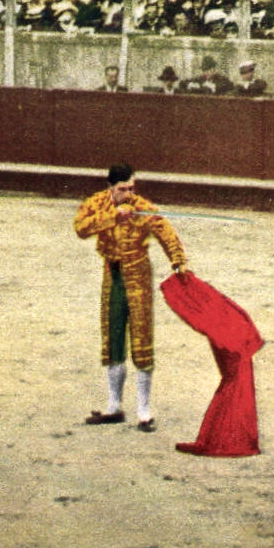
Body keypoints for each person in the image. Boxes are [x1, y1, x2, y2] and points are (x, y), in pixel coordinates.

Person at [74, 164, 189, 432]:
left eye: (131, 188)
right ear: (110, 187)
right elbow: (80, 228)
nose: (128, 193)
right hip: (113, 276)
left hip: (138, 276)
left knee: (141, 339)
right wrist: (113, 217)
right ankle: (114, 407)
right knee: (113, 339)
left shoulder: (142, 207)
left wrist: (178, 261)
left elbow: (165, 232)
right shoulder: (98, 203)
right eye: (122, 189)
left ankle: (144, 412)